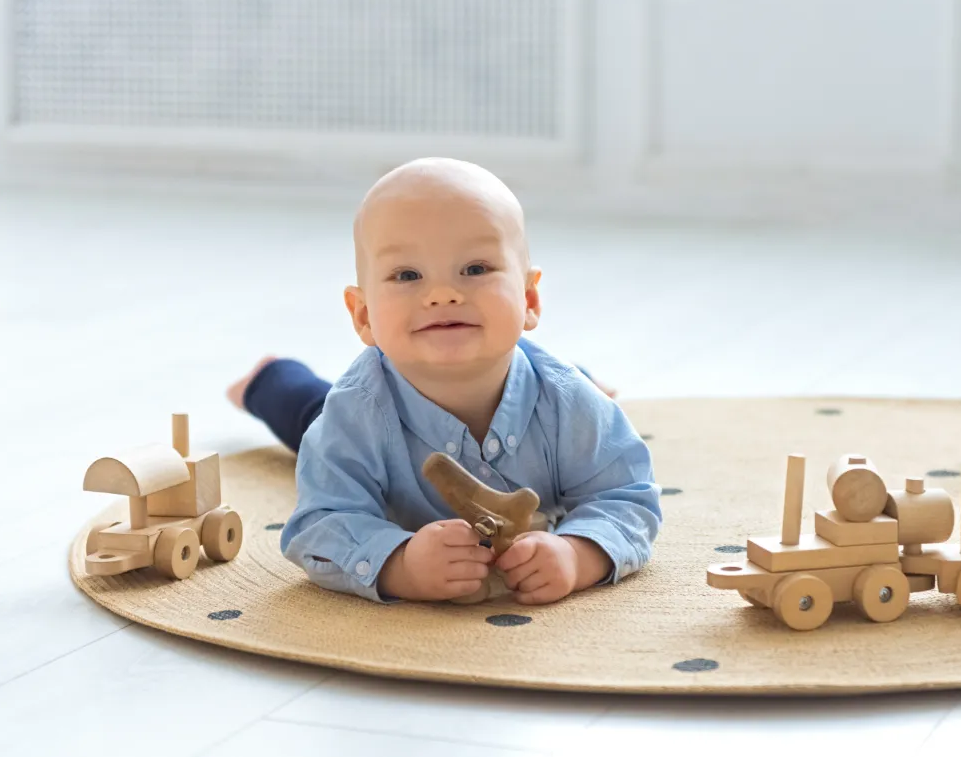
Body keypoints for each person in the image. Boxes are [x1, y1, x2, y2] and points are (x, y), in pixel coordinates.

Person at [228, 157, 661, 606]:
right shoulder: (353, 414)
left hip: (543, 382)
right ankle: (268, 377)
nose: (443, 294)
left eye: (475, 269)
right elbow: (319, 525)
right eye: (408, 275)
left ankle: (587, 377)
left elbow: (627, 496)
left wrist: (578, 554)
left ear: (529, 299)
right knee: (305, 410)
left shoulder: (567, 402)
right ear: (363, 316)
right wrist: (400, 564)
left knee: (573, 392)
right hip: (376, 403)